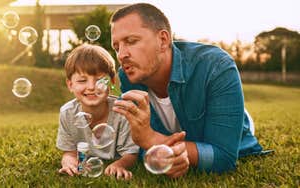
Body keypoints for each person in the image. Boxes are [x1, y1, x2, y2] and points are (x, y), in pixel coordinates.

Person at [110, 3, 263, 178]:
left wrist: (150, 139)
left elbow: (224, 158)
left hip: (226, 118)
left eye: (131, 41)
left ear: (163, 40)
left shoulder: (215, 65)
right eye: (116, 47)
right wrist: (164, 157)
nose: (121, 55)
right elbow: (144, 149)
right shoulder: (127, 77)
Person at [56, 44, 139, 180]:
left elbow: (131, 154)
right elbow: (69, 151)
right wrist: (68, 161)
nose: (91, 87)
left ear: (112, 82)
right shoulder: (67, 113)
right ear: (70, 85)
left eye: (100, 80)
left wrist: (120, 164)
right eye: (82, 80)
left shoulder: (122, 111)